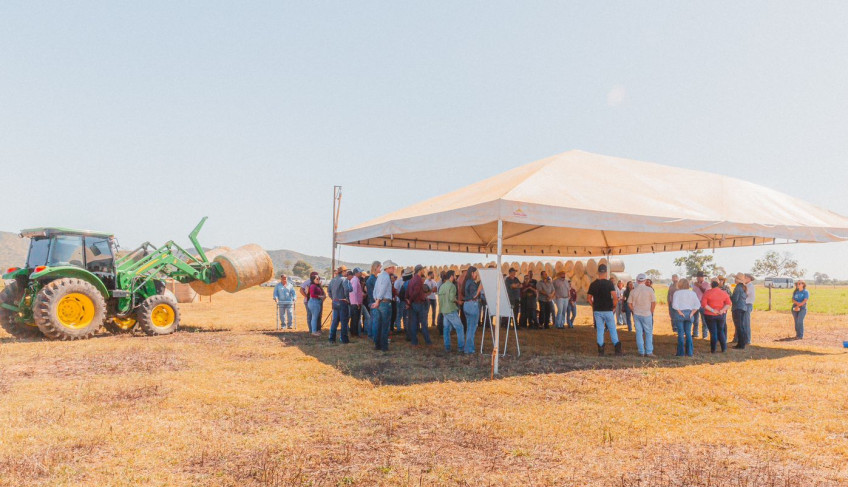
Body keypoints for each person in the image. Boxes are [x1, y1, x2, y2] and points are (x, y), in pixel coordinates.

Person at [587, 264, 621, 356]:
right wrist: (614, 307)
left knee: (600, 330)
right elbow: (615, 297)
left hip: (597, 311)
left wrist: (594, 306)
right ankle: (617, 350)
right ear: (606, 272)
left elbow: (589, 298)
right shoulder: (609, 283)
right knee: (612, 329)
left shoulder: (593, 284)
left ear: (598, 272)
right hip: (608, 310)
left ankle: (601, 351)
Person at [371, 260, 397, 351]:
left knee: (378, 325)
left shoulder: (380, 276)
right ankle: (384, 346)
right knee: (385, 326)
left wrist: (376, 300)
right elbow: (383, 290)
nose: (394, 269)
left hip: (379, 302)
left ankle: (377, 344)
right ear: (388, 268)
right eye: (392, 267)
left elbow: (375, 290)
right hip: (385, 303)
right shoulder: (386, 277)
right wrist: (378, 301)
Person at [628, 273, 656, 357]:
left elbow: (629, 303)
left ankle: (641, 352)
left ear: (637, 280)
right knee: (648, 333)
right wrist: (651, 311)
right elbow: (653, 302)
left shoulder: (633, 291)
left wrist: (633, 310)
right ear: (645, 280)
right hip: (647, 314)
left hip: (637, 314)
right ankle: (649, 351)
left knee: (639, 333)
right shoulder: (649, 290)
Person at [701, 279, 732, 353]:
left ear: (711, 285)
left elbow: (704, 304)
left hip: (709, 315)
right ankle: (724, 348)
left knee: (713, 332)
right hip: (721, 314)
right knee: (721, 331)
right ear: (718, 285)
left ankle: (713, 349)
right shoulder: (724, 293)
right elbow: (728, 303)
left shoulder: (707, 293)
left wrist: (712, 310)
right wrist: (722, 310)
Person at [671, 278, 699, 357]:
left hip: (680, 314)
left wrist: (679, 312)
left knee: (680, 333)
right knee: (688, 333)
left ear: (679, 284)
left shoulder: (677, 293)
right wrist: (692, 313)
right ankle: (689, 352)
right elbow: (698, 305)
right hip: (689, 314)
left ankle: (680, 353)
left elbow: (674, 305)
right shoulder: (692, 293)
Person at [438, 270, 465, 352]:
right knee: (460, 327)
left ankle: (447, 347)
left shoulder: (442, 286)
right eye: (454, 275)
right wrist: (458, 301)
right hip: (451, 310)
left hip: (444, 310)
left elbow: (440, 299)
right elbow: (452, 298)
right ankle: (461, 347)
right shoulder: (452, 286)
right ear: (451, 276)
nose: (455, 277)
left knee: (446, 329)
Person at [406, 265, 433, 346]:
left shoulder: (412, 279)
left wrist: (409, 301)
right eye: (423, 270)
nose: (424, 271)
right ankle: (428, 342)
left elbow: (408, 291)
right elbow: (416, 292)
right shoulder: (418, 279)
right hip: (419, 303)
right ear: (420, 270)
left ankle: (414, 342)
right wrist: (410, 300)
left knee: (414, 324)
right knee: (424, 324)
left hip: (413, 304)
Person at [327, 266, 352, 343]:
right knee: (344, 322)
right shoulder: (344, 279)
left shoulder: (333, 280)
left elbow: (329, 291)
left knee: (334, 321)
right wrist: (347, 298)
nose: (347, 273)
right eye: (346, 271)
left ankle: (331, 339)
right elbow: (347, 289)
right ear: (343, 271)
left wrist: (333, 298)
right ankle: (344, 339)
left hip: (335, 302)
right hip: (343, 302)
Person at [462, 266, 482, 354]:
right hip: (472, 305)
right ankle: (469, 349)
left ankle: (468, 348)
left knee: (469, 328)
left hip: (466, 305)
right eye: (476, 273)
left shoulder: (466, 282)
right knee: (472, 329)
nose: (476, 275)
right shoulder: (472, 283)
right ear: (472, 273)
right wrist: (480, 288)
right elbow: (474, 295)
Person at [730, 273, 749, 349]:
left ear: (738, 280)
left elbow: (735, 299)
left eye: (736, 278)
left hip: (737, 308)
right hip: (743, 308)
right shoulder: (743, 287)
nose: (734, 280)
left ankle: (740, 344)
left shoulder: (737, 287)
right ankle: (742, 343)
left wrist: (729, 295)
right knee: (741, 326)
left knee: (739, 327)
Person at [692, 271, 710, 339]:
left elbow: (706, 293)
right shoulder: (694, 284)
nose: (698, 278)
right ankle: (695, 333)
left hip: (703, 303)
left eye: (700, 277)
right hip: (695, 303)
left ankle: (705, 335)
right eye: (698, 277)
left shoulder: (707, 284)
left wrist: (699, 286)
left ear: (703, 277)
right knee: (695, 319)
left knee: (704, 320)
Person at [365, 261, 380, 340]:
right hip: (374, 301)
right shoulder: (373, 279)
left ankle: (370, 335)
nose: (380, 268)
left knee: (372, 319)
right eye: (379, 267)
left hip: (371, 301)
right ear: (376, 267)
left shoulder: (372, 278)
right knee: (375, 320)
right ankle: (374, 336)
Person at [348, 268, 363, 337]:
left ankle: (354, 333)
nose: (361, 273)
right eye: (360, 272)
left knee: (355, 319)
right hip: (355, 303)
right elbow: (354, 292)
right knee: (355, 319)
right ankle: (354, 333)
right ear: (356, 273)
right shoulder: (355, 280)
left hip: (355, 303)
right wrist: (357, 303)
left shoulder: (355, 280)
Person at [744, 274, 756, 344]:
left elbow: (745, 294)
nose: (744, 279)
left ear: (749, 279)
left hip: (747, 304)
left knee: (746, 323)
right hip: (746, 304)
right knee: (744, 322)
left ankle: (748, 339)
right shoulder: (747, 285)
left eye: (745, 278)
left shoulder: (750, 286)